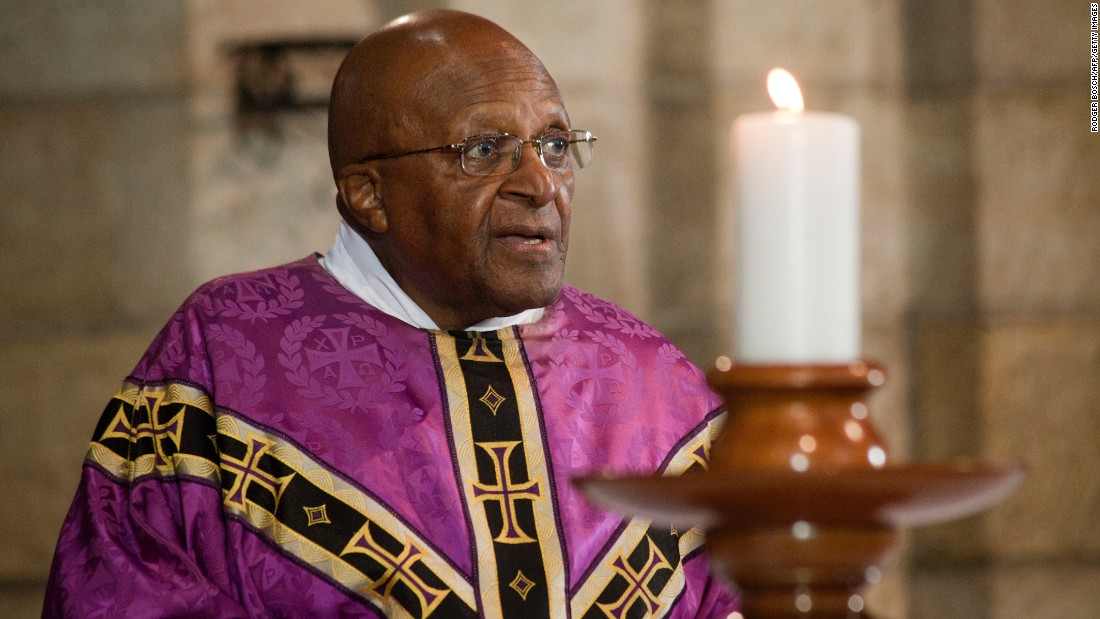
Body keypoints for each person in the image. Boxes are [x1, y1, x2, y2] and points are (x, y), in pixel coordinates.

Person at [44, 10, 738, 618]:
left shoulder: (652, 383)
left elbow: (747, 587)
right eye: (485, 151)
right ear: (368, 195)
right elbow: (125, 593)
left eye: (556, 145)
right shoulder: (217, 365)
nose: (541, 184)